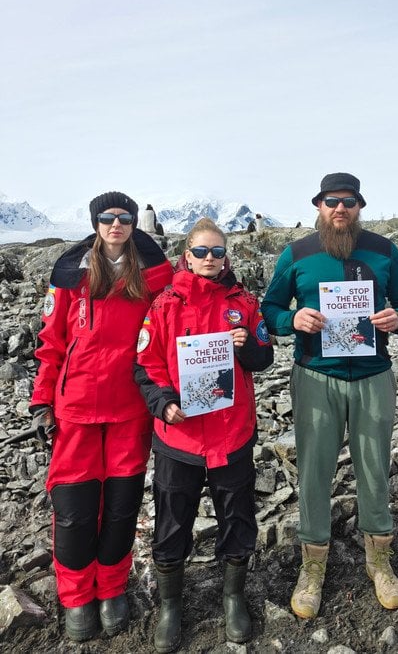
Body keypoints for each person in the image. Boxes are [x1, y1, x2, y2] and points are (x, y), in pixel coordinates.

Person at [261, 172, 398, 619]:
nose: (340, 208)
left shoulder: (384, 250)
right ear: (318, 205)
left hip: (373, 375)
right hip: (316, 375)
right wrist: (291, 320)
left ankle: (379, 559)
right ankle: (312, 564)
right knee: (315, 470)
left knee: (374, 467)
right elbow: (269, 308)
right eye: (331, 201)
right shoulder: (297, 253)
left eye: (348, 201)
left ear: (359, 207)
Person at [29, 191, 174, 642]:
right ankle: (76, 596)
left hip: (131, 408)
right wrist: (41, 401)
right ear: (95, 223)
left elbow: (173, 323)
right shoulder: (71, 275)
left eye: (125, 217)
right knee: (74, 509)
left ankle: (111, 587)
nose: (116, 225)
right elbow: (51, 343)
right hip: (75, 409)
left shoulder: (153, 275)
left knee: (121, 505)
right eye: (107, 217)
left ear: (134, 223)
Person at [134, 217, 273, 653]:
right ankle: (170, 604)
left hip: (232, 433)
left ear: (225, 257)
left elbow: (264, 358)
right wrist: (163, 403)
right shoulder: (164, 304)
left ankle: (233, 596)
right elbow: (146, 365)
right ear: (187, 256)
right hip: (180, 437)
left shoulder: (244, 303)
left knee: (237, 515)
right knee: (173, 520)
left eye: (217, 251)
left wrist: (248, 346)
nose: (209, 258)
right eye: (201, 251)